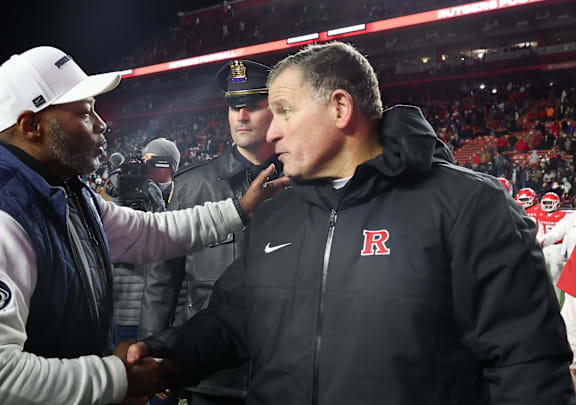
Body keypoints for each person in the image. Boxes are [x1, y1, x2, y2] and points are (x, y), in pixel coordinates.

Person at [129, 41, 572, 404]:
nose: (270, 132)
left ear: (340, 108)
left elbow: (526, 366)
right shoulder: (277, 212)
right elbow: (232, 320)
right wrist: (168, 352)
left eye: (283, 111)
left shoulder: (470, 205)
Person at [0, 46, 287, 405]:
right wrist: (118, 378)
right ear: (30, 126)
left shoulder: (67, 192)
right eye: (85, 113)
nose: (101, 123)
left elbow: (150, 233)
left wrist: (239, 209)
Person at [138, 59, 279, 405]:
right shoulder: (190, 186)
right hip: (208, 374)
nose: (241, 116)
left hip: (283, 369)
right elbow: (161, 280)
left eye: (253, 105)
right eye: (234, 106)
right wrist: (153, 350)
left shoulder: (303, 180)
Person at [111, 137, 181, 344]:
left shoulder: (185, 195)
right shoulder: (122, 193)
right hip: (125, 311)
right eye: (143, 161)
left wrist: (158, 207)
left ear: (169, 166)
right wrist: (116, 203)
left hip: (171, 313)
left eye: (152, 162)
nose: (145, 168)